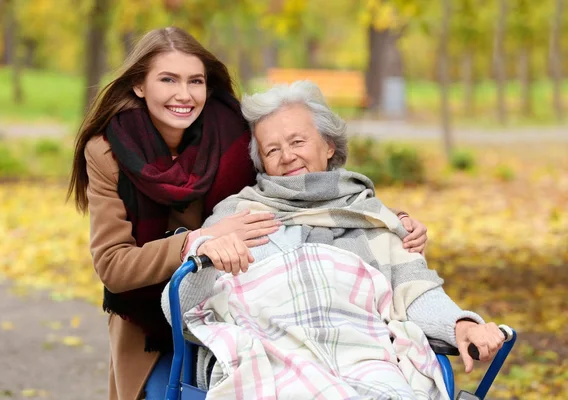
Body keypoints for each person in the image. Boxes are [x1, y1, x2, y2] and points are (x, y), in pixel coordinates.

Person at [67, 27, 428, 400]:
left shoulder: (233, 134)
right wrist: (197, 241)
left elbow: (297, 188)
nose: (184, 94)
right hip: (149, 310)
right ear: (140, 86)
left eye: (196, 81)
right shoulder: (108, 150)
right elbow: (113, 265)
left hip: (237, 301)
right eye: (168, 80)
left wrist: (387, 222)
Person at [163, 80, 505, 397]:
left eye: (297, 141)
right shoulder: (237, 215)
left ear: (329, 145)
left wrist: (460, 323)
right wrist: (206, 254)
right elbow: (179, 307)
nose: (286, 156)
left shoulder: (371, 217)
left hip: (365, 360)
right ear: (261, 162)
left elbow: (415, 290)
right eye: (272, 150)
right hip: (267, 359)